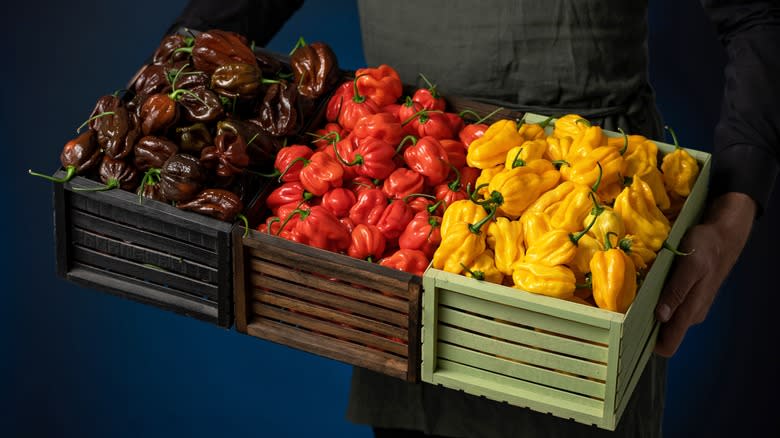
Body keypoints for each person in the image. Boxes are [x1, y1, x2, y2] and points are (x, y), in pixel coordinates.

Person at [168, 1, 779, 437]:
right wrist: (159, 99)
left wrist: (734, 207)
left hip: (594, 196)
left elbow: (758, 14)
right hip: (408, 202)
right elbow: (223, 21)